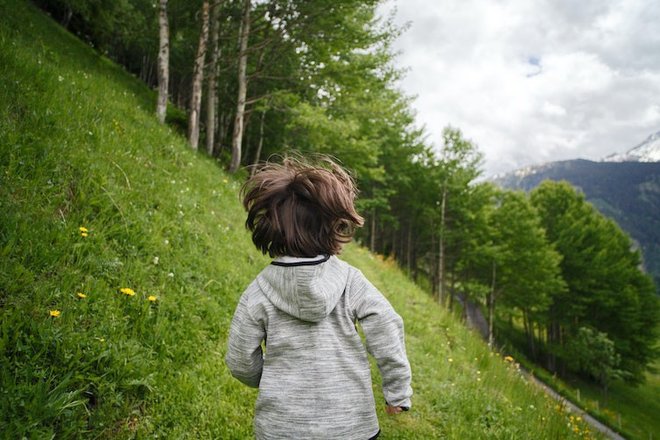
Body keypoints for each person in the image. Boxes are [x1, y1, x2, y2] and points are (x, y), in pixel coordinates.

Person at [225, 156, 413, 440]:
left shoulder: (259, 291)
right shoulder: (350, 280)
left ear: (272, 226)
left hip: (281, 429)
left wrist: (270, 380)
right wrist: (397, 391)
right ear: (334, 227)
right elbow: (386, 324)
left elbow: (240, 360)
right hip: (351, 427)